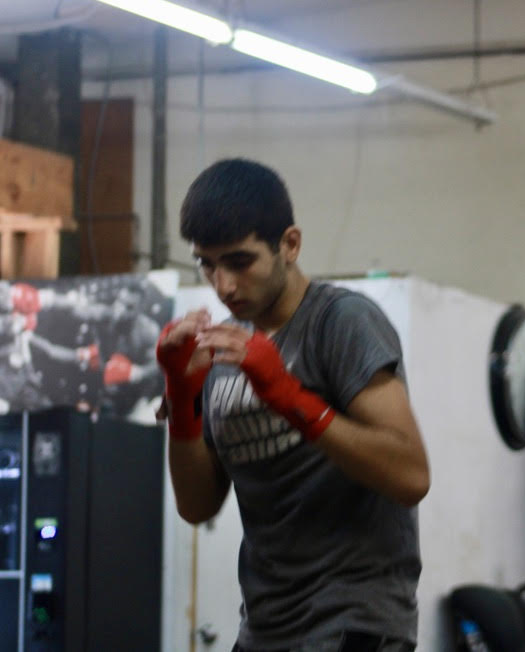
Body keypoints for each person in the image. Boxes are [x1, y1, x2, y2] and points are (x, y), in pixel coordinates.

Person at [157, 159, 429, 652]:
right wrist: (180, 396)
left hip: (354, 619)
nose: (223, 285)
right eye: (207, 264)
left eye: (240, 262)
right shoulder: (227, 349)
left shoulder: (341, 322)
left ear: (290, 244)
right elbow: (197, 505)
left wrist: (288, 396)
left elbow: (410, 476)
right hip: (263, 626)